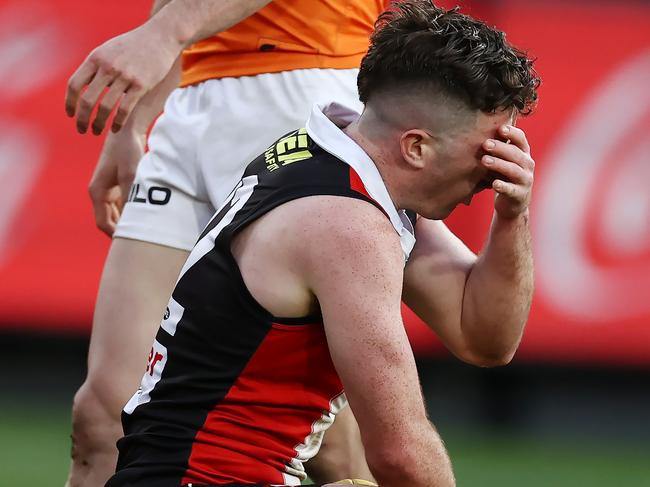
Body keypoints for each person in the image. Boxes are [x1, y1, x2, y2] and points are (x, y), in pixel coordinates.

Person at [102, 1, 540, 486]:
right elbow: (401, 453)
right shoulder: (348, 225)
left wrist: (511, 216)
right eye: (485, 149)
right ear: (416, 147)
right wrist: (164, 35)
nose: (491, 169)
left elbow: (485, 338)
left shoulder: (329, 156)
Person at [64, 1, 387, 486]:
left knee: (328, 453)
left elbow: (174, 21)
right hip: (190, 97)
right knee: (104, 415)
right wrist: (136, 116)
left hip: (302, 85)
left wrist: (164, 35)